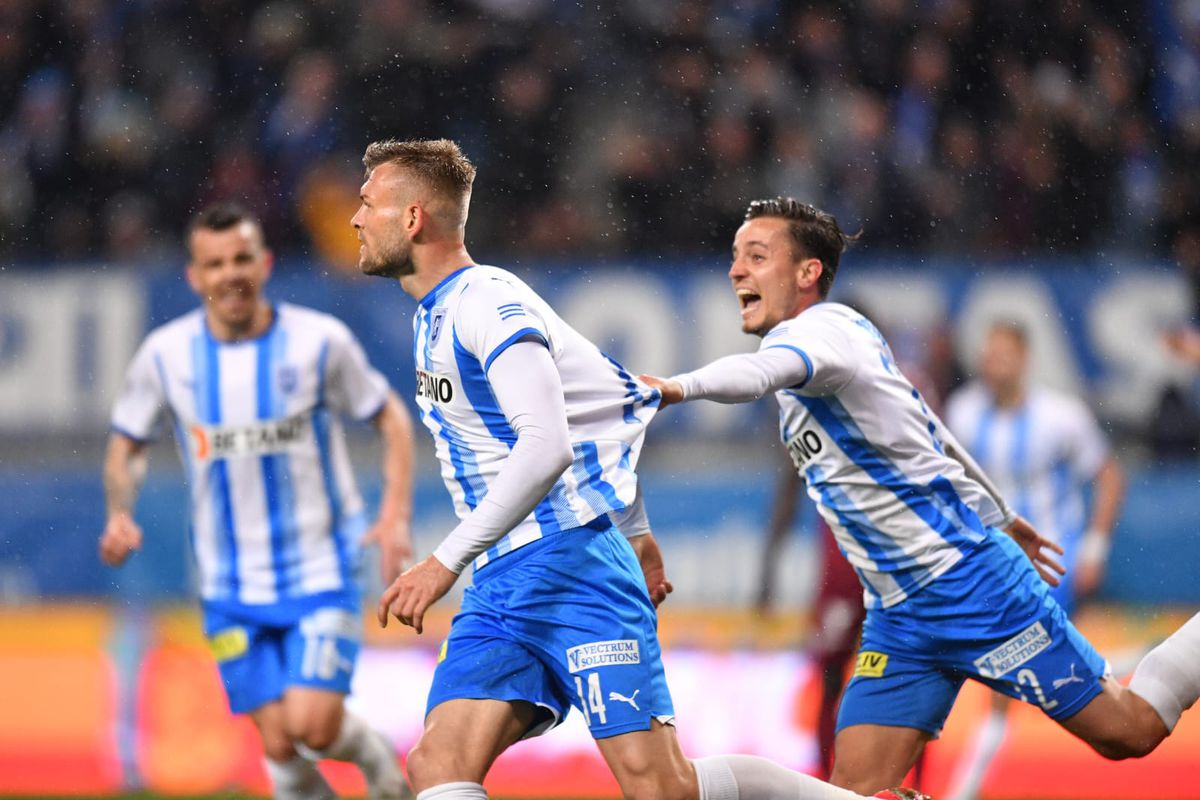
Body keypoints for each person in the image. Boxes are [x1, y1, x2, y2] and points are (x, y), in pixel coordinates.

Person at [351, 138, 929, 800]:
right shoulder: (438, 312)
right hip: (502, 585)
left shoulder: (486, 303)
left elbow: (548, 446)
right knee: (437, 766)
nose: (356, 218)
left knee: (663, 789)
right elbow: (612, 398)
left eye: (369, 203)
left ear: (415, 218)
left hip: (572, 568)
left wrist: (441, 562)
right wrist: (636, 524)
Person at [639, 196, 1200, 796]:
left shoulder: (820, 334)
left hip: (969, 587)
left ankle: (693, 787)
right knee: (854, 788)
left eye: (756, 255)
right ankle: (690, 787)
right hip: (899, 616)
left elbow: (754, 377)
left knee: (1130, 731)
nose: (736, 270)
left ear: (808, 273)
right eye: (734, 257)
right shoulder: (828, 345)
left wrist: (677, 387)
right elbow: (928, 428)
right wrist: (1000, 512)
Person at [100, 203, 415, 800]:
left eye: (241, 258)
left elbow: (391, 418)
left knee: (313, 727)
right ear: (194, 276)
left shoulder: (319, 342)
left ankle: (377, 766)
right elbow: (127, 445)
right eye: (214, 264)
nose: (230, 273)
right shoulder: (166, 356)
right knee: (276, 744)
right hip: (228, 583)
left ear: (265, 263)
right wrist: (120, 510)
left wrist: (393, 515)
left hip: (322, 567)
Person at [942, 320, 1125, 800]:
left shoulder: (1060, 416)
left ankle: (966, 788)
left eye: (1003, 353)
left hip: (1048, 561)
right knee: (1043, 668)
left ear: (1024, 359)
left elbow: (1108, 476)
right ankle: (1132, 665)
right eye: (988, 352)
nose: (992, 362)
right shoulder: (962, 413)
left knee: (1008, 675)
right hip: (988, 565)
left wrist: (1094, 547)